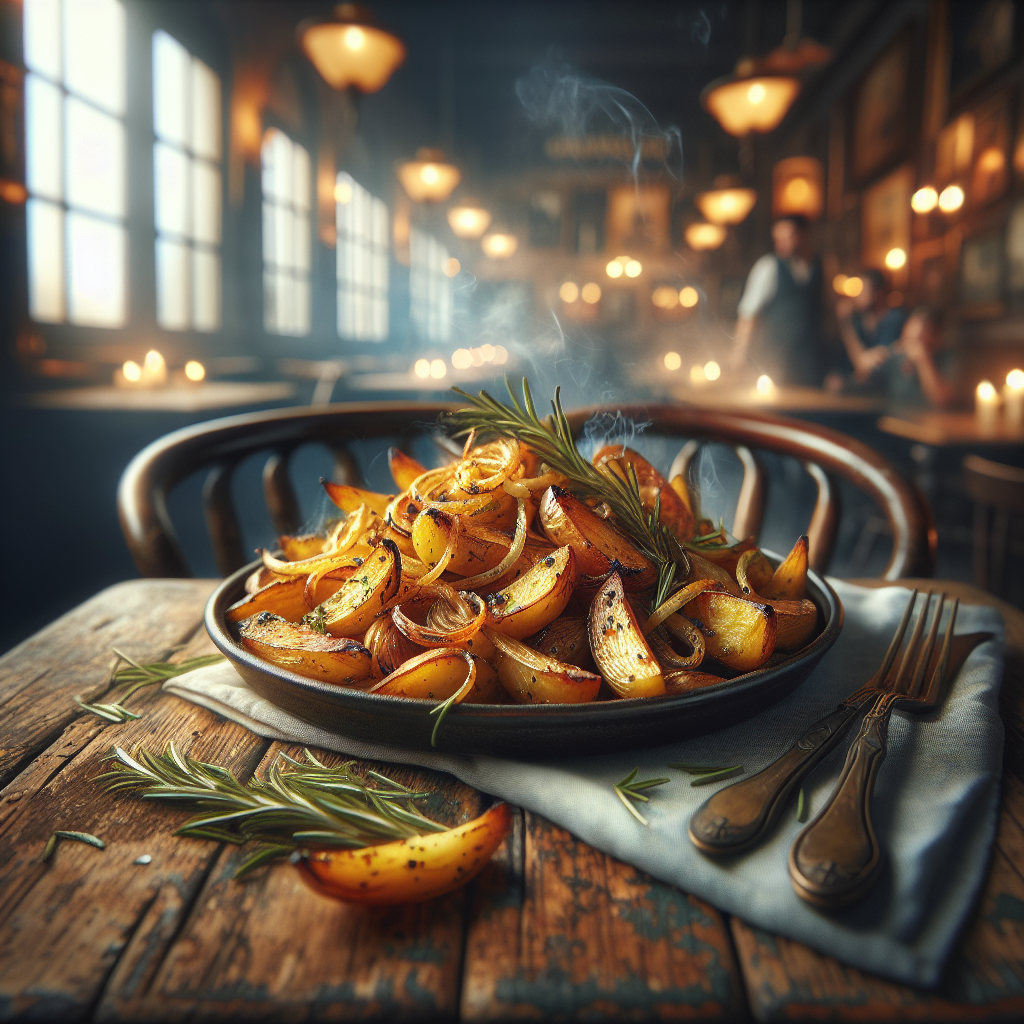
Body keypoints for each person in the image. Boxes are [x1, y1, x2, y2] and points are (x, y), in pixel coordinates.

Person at [729, 214, 823, 386]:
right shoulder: (768, 267)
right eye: (778, 239)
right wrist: (739, 355)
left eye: (789, 237)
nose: (782, 244)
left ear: (803, 236)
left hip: (812, 362)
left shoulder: (820, 267)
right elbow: (748, 314)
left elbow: (829, 314)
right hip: (776, 360)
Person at [872, 307, 956, 410]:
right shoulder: (895, 356)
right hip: (893, 422)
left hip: (931, 423)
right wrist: (867, 360)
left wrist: (923, 360)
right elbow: (866, 376)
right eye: (911, 326)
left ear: (937, 337)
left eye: (924, 331)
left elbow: (941, 400)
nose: (914, 334)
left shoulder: (947, 359)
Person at [836, 269, 908, 381]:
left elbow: (870, 365)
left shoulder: (894, 319)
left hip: (886, 387)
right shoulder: (859, 320)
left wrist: (846, 326)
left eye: (863, 290)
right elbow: (857, 365)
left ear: (877, 293)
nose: (857, 296)